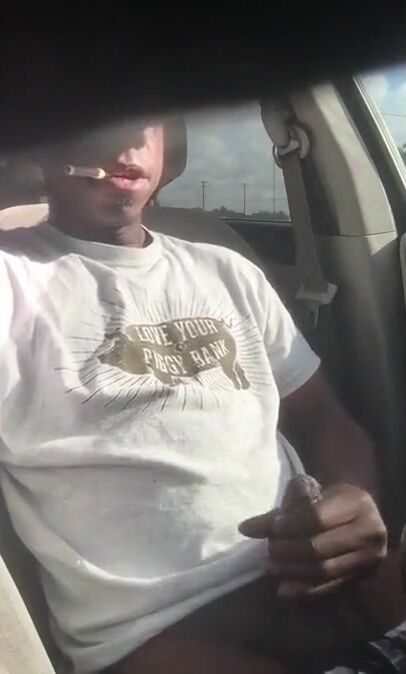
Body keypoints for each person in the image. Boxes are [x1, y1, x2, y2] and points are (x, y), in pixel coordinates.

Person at [0, 118, 402, 674]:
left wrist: (351, 498)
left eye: (147, 117)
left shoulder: (228, 270)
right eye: (99, 115)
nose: (128, 140)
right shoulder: (12, 278)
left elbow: (323, 417)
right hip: (163, 633)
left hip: (329, 575)